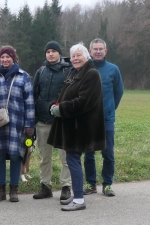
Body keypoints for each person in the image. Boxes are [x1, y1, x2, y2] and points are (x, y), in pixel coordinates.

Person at [47, 43, 106, 211]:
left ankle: (79, 200)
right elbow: (62, 94)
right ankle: (77, 194)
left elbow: (84, 101)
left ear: (86, 57)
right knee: (72, 159)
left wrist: (62, 109)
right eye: (73, 56)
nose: (75, 58)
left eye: (79, 55)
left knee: (72, 159)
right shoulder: (74, 74)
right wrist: (53, 105)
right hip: (71, 126)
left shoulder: (91, 74)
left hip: (82, 127)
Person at [0, 45, 35, 203]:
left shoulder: (23, 76)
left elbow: (29, 101)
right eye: (2, 57)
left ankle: (14, 190)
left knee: (16, 155)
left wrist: (29, 124)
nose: (5, 59)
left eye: (8, 56)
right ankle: (1, 190)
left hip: (17, 123)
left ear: (14, 58)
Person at [84, 38, 124, 196]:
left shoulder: (113, 69)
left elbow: (118, 92)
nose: (98, 51)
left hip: (106, 119)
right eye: (95, 49)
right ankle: (91, 183)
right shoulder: (85, 69)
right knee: (88, 153)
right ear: (90, 51)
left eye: (101, 49)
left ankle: (107, 184)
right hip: (88, 119)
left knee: (108, 153)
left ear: (105, 51)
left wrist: (110, 108)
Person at [32, 41, 72, 201]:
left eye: (54, 51)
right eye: (48, 51)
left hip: (62, 122)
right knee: (45, 157)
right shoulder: (40, 72)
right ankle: (45, 186)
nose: (50, 54)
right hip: (42, 121)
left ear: (59, 53)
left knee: (66, 158)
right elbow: (34, 95)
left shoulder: (68, 71)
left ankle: (66, 187)